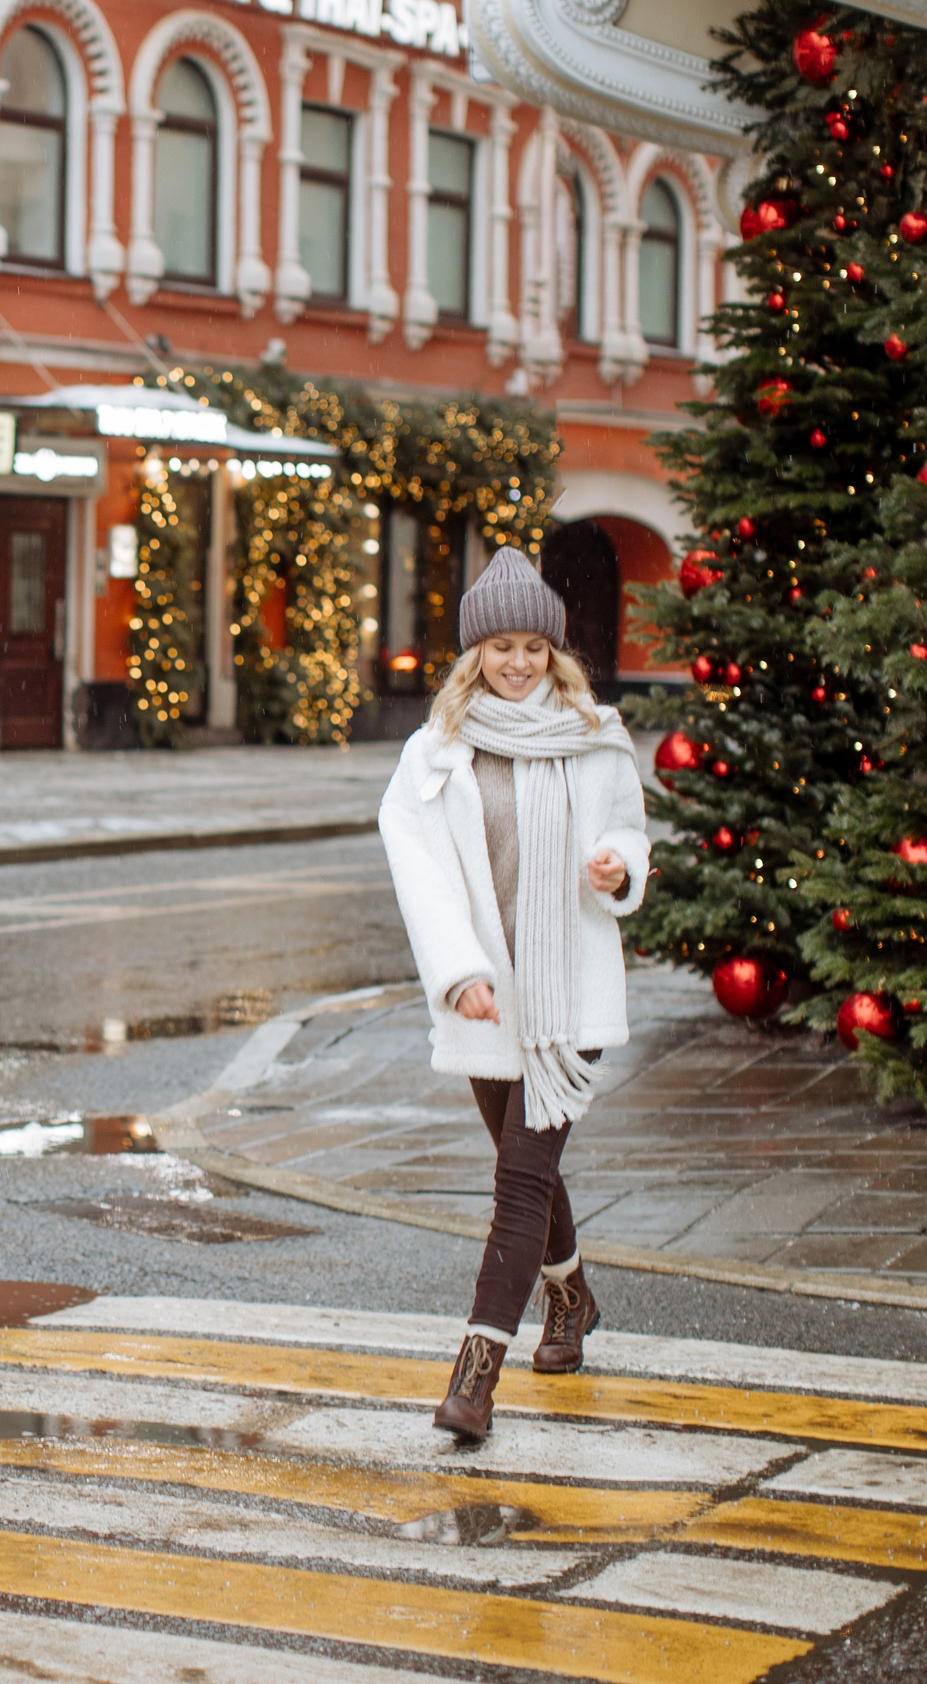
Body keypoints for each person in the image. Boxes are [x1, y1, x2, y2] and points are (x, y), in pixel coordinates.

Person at [376, 547, 650, 1441]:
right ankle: (571, 1301)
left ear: (555, 650)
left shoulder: (595, 734)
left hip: (569, 991)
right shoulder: (436, 752)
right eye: (501, 647)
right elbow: (420, 870)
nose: (520, 662)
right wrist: (460, 975)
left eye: (534, 646)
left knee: (520, 1180)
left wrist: (618, 865)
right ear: (475, 653)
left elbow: (628, 829)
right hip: (488, 996)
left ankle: (474, 1381)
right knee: (528, 1165)